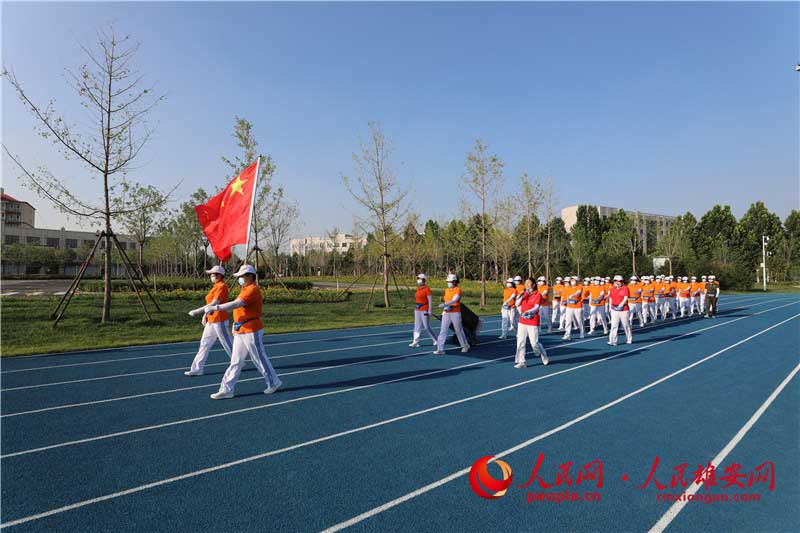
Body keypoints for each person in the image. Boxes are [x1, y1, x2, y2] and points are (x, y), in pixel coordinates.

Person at [191, 264, 281, 399]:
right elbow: (238, 309)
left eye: (241, 276)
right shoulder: (245, 289)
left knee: (258, 358)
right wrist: (235, 324)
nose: (239, 279)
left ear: (250, 276)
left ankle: (273, 382)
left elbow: (236, 304)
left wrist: (215, 307)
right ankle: (227, 389)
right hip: (241, 329)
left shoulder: (252, 290)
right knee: (235, 361)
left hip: (252, 329)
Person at [185, 265, 233, 376]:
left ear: (219, 275)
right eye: (210, 274)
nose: (211, 276)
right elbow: (209, 305)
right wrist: (205, 315)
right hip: (211, 320)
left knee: (228, 344)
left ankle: (238, 362)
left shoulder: (222, 287)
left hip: (220, 320)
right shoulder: (215, 287)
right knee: (204, 344)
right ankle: (197, 369)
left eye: (213, 274)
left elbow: (214, 303)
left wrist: (197, 311)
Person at [514, 277, 549, 368]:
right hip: (522, 321)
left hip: (533, 321)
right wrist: (520, 295)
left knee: (534, 343)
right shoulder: (524, 294)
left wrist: (529, 312)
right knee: (520, 341)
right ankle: (522, 361)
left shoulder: (538, 295)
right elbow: (517, 304)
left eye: (528, 283)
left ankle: (543, 353)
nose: (526, 284)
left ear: (533, 285)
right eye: (525, 283)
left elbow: (537, 307)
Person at [434, 273, 469, 354]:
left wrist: (445, 304)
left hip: (455, 313)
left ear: (454, 282)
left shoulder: (458, 290)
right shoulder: (446, 290)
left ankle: (465, 345)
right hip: (446, 312)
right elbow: (447, 300)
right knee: (443, 330)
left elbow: (454, 300)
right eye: (448, 282)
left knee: (458, 330)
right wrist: (444, 306)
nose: (448, 283)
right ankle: (440, 349)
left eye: (449, 282)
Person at [410, 273, 437, 347]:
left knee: (426, 326)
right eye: (417, 278)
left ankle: (435, 340)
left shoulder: (427, 289)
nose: (418, 280)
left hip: (424, 309)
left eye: (419, 279)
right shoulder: (418, 289)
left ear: (423, 280)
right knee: (417, 326)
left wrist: (430, 310)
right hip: (417, 309)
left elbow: (430, 300)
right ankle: (415, 341)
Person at [608, 275, 633, 345]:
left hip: (624, 309)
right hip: (614, 309)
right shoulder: (612, 289)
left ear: (622, 282)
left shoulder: (625, 288)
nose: (617, 282)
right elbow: (610, 298)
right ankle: (612, 341)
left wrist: (621, 304)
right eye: (616, 281)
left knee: (625, 325)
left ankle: (629, 339)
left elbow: (626, 297)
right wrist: (610, 308)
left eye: (620, 281)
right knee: (614, 325)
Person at [563, 276, 585, 340]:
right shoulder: (568, 287)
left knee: (579, 321)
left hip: (577, 307)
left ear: (577, 281)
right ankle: (567, 334)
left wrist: (572, 295)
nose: (572, 281)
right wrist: (566, 303)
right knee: (568, 321)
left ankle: (582, 332)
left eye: (574, 280)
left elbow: (578, 292)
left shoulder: (580, 286)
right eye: (572, 280)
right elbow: (567, 296)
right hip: (569, 307)